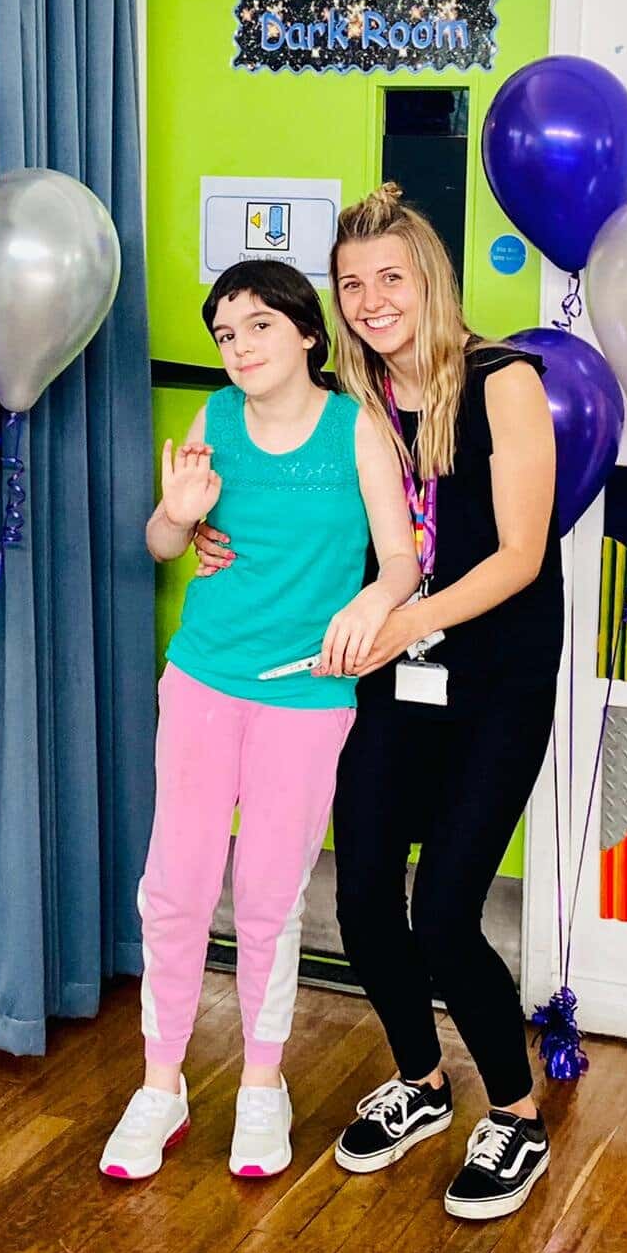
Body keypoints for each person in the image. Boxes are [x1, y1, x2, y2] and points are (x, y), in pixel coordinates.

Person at [199, 185, 563, 1220]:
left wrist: (409, 620)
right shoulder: (346, 404)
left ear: (429, 281)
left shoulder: (503, 382)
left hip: (492, 678)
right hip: (395, 681)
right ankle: (418, 1081)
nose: (368, 299)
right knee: (360, 897)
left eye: (388, 278)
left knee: (444, 912)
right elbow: (295, 512)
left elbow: (522, 558)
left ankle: (517, 1110)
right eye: (350, 283)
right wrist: (218, 537)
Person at [101, 259, 418, 1182]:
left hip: (307, 694)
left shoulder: (357, 429)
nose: (239, 348)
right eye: (226, 336)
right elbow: (162, 543)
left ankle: (263, 1087)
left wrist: (373, 606)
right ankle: (161, 1087)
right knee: (176, 886)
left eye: (258, 328)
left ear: (308, 333)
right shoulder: (215, 421)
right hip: (202, 678)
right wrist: (176, 513)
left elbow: (401, 561)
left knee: (273, 897)